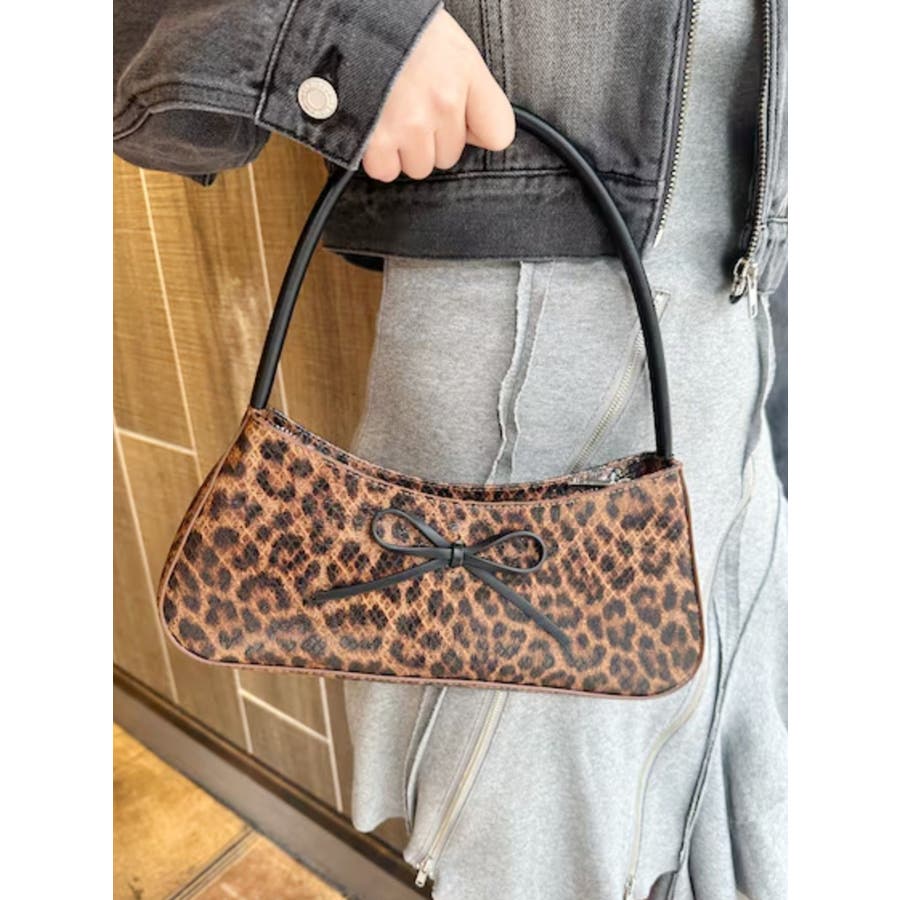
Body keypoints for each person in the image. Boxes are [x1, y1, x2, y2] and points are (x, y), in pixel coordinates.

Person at [114, 2, 788, 897]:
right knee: (542, 840)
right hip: (527, 300)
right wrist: (349, 30)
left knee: (724, 802)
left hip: (735, 304)